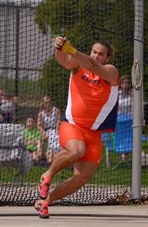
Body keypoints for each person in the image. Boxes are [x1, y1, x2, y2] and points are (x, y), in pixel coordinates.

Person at [34, 37, 119, 219]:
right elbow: (64, 60)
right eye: (94, 52)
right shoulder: (78, 66)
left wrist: (71, 49)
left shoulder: (110, 72)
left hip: (94, 133)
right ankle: (47, 175)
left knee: (82, 177)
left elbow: (94, 67)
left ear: (108, 58)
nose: (96, 56)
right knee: (77, 150)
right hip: (72, 125)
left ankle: (45, 201)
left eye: (101, 54)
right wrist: (59, 48)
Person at [36, 95, 61, 164]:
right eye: (46, 103)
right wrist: (43, 132)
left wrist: (57, 130)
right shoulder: (41, 113)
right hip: (46, 130)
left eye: (49, 102)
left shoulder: (56, 110)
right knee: (45, 138)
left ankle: (55, 156)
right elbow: (39, 125)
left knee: (56, 137)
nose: (48, 104)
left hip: (55, 129)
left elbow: (58, 121)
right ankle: (46, 157)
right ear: (43, 104)